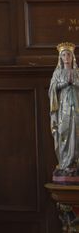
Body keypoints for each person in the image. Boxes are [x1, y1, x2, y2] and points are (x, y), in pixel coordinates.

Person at [49, 42, 79, 174]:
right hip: (63, 108)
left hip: (76, 107)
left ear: (72, 57)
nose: (66, 57)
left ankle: (74, 162)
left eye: (68, 55)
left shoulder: (77, 72)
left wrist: (76, 83)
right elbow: (52, 89)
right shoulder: (58, 73)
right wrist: (64, 84)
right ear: (60, 58)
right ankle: (64, 162)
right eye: (64, 55)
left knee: (76, 132)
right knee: (63, 131)